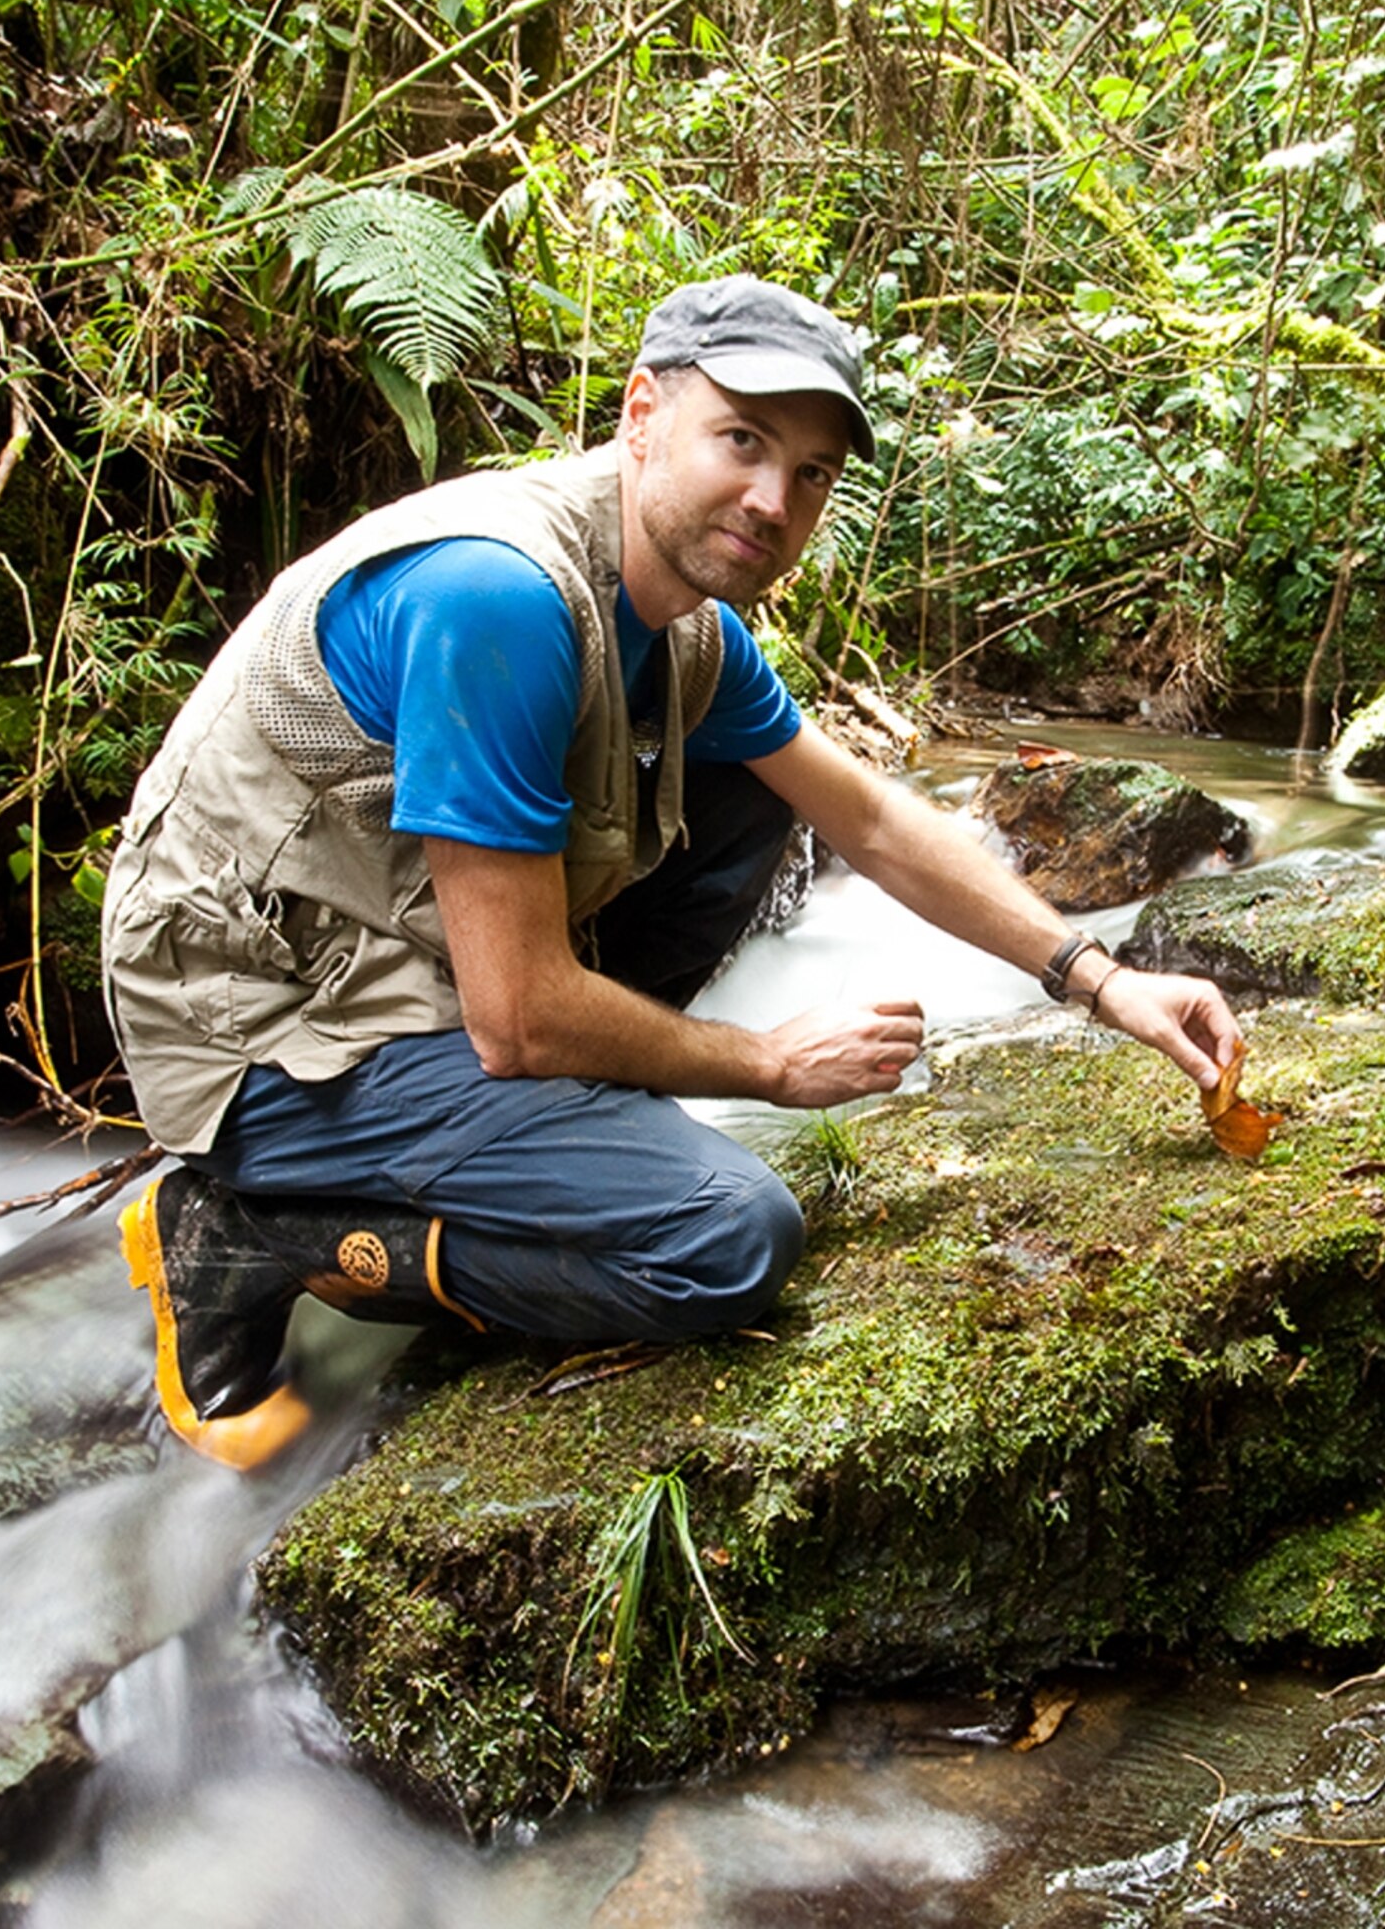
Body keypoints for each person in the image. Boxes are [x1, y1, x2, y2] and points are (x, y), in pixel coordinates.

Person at [101, 276, 1240, 1467]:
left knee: (756, 784)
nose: (772, 499)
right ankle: (244, 1234)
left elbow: (873, 818)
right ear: (642, 413)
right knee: (728, 1239)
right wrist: (766, 1063)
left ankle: (550, 1134)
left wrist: (1103, 980)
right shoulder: (497, 596)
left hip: (412, 957)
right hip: (258, 1028)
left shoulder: (689, 632)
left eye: (810, 474)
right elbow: (523, 1016)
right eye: (742, 440)